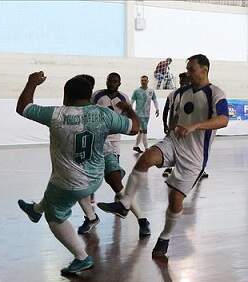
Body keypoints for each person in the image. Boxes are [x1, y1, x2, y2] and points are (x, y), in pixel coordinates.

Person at [98, 54, 229, 258]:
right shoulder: (181, 92)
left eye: (191, 69)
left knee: (174, 201)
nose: (187, 72)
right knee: (145, 158)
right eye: (186, 69)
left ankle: (165, 237)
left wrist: (195, 126)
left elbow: (223, 120)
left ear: (204, 70)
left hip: (194, 156)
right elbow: (177, 114)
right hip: (175, 142)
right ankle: (124, 204)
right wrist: (172, 127)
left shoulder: (215, 93)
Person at [16, 72, 139, 275]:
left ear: (66, 96)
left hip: (69, 183)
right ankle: (35, 211)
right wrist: (130, 111)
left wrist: (31, 82)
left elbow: (23, 107)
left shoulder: (57, 114)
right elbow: (135, 128)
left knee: (55, 216)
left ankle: (82, 258)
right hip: (95, 180)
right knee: (53, 191)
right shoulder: (103, 114)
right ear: (89, 96)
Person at [84, 72, 151, 238]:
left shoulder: (124, 98)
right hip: (95, 142)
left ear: (119, 83)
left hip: (112, 144)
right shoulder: (97, 96)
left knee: (116, 182)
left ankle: (138, 216)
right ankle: (91, 216)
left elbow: (132, 122)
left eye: (115, 81)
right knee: (85, 185)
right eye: (110, 80)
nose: (112, 83)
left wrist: (128, 110)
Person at [161, 72, 203, 178]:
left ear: (189, 81)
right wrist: (165, 124)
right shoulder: (173, 94)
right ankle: (170, 167)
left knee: (193, 149)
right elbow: (166, 110)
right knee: (173, 147)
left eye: (186, 80)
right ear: (179, 81)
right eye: (182, 79)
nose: (184, 81)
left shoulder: (197, 94)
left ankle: (200, 169)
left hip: (189, 128)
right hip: (174, 127)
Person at [131, 75, 160, 153]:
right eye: (142, 80)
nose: (143, 82)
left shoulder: (151, 91)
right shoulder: (136, 91)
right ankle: (147, 148)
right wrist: (130, 111)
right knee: (144, 131)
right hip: (139, 115)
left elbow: (155, 100)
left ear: (147, 81)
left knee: (141, 131)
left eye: (145, 80)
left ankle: (136, 146)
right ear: (140, 81)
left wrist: (157, 108)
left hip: (147, 114)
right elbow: (132, 101)